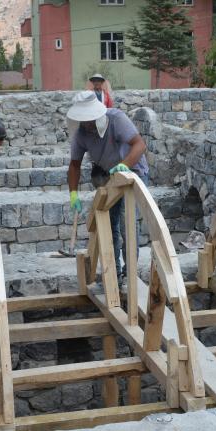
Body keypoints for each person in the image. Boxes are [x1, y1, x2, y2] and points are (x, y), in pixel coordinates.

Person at [66, 90, 147, 285]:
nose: (87, 124)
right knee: (109, 224)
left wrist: (124, 165)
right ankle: (114, 274)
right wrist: (73, 193)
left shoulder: (116, 119)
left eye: (90, 120)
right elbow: (74, 165)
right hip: (108, 177)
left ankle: (130, 275)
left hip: (132, 172)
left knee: (128, 223)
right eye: (84, 120)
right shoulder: (81, 134)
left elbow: (139, 145)